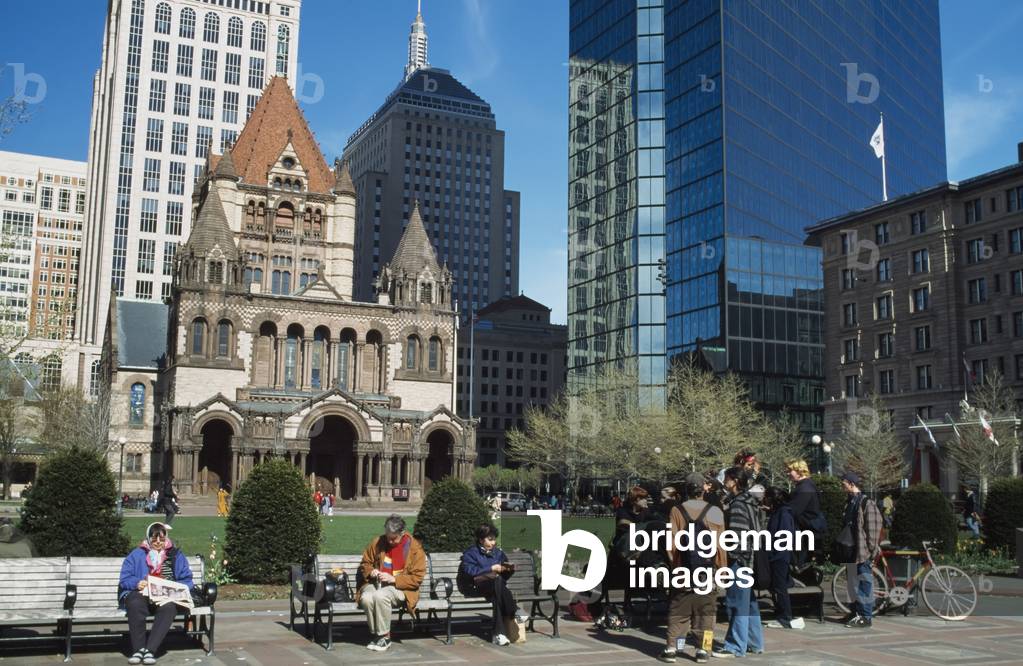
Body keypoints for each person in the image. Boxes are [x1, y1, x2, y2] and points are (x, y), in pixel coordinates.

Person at [659, 473, 726, 664]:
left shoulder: (677, 511)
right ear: (703, 489)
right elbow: (721, 546)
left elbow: (671, 544)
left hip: (683, 568)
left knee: (679, 611)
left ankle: (673, 648)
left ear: (686, 490)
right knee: (706, 613)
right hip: (707, 569)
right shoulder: (716, 512)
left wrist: (675, 566)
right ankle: (703, 650)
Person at [118, 522, 193, 664]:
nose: (158, 542)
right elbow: (124, 579)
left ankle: (150, 650)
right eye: (154, 538)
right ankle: (138, 649)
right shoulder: (136, 554)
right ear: (148, 538)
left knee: (169, 608)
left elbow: (187, 580)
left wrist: (175, 587)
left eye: (162, 539)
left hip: (166, 596)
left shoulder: (176, 555)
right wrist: (137, 583)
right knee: (134, 603)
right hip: (142, 593)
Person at [356, 514, 426, 652]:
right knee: (366, 598)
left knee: (380, 596)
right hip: (375, 583)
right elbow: (365, 563)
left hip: (401, 588)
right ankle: (378, 635)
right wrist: (372, 572)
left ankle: (384, 637)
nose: (390, 541)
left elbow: (417, 578)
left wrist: (394, 579)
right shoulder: (377, 542)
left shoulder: (415, 548)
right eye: (388, 537)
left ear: (403, 533)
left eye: (394, 538)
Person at [714, 467, 765, 658]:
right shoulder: (752, 503)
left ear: (734, 481)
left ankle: (735, 645)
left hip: (740, 561)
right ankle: (755, 642)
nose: (724, 481)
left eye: (726, 478)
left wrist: (730, 560)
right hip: (752, 559)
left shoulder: (737, 505)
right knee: (749, 603)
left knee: (736, 603)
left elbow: (737, 536)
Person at [459, 524, 529, 646]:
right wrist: (490, 568)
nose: (493, 542)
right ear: (481, 540)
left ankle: (499, 635)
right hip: (476, 586)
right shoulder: (470, 553)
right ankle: (515, 611)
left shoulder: (498, 553)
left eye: (494, 539)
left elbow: (504, 569)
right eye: (490, 539)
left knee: (497, 591)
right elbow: (469, 572)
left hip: (495, 585)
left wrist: (508, 569)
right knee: (498, 585)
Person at [839, 472, 883, 629]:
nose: (841, 486)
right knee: (852, 583)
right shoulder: (850, 502)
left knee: (864, 583)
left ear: (851, 483)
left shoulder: (866, 503)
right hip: (851, 549)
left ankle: (865, 616)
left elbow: (873, 528)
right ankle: (854, 613)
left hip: (861, 551)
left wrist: (870, 550)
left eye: (843, 483)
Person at [762, 486, 804, 630]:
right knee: (778, 587)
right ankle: (782, 614)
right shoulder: (779, 512)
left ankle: (785, 617)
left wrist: (774, 551)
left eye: (766, 496)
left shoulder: (783, 513)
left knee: (780, 588)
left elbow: (784, 536)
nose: (764, 499)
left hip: (779, 555)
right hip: (778, 554)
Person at [785, 459, 824, 566]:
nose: (788, 474)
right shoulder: (806, 485)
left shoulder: (804, 488)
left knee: (800, 560)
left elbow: (794, 510)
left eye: (790, 471)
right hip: (807, 528)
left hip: (804, 529)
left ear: (799, 471)